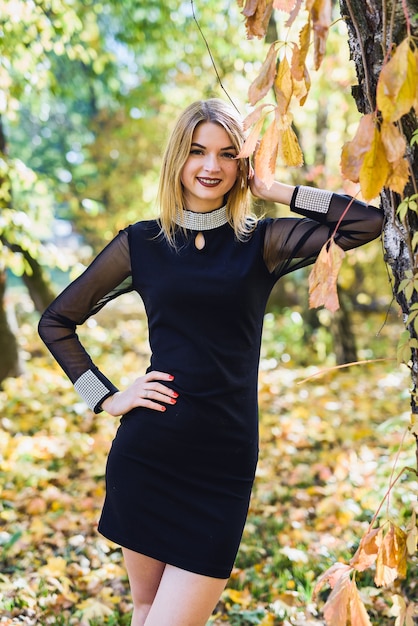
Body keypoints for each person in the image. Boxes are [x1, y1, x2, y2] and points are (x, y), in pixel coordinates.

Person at [38, 98, 383, 626]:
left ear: (240, 164)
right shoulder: (142, 243)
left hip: (223, 461)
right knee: (146, 610)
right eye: (197, 151)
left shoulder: (260, 242)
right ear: (178, 158)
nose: (210, 166)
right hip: (148, 452)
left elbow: (367, 221)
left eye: (226, 154)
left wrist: (274, 189)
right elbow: (56, 322)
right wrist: (107, 397)